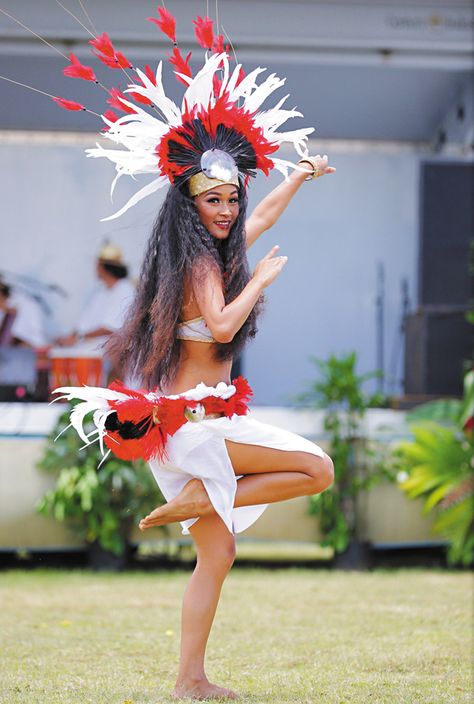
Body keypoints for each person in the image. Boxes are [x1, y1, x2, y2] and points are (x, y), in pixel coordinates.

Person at [51, 10, 336, 701]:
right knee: (317, 468)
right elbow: (222, 320)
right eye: (214, 200)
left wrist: (295, 177)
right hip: (194, 430)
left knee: (220, 553)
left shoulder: (214, 246)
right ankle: (205, 494)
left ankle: (189, 680)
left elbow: (260, 219)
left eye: (233, 197)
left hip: (188, 428)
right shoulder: (204, 268)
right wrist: (263, 281)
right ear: (189, 203)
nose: (229, 209)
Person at [56, 243, 134, 350]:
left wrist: (79, 337)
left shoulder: (125, 290)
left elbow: (111, 328)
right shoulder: (101, 292)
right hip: (89, 351)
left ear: (105, 268)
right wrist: (70, 337)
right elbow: (84, 323)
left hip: (109, 354)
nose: (96, 269)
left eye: (97, 265)